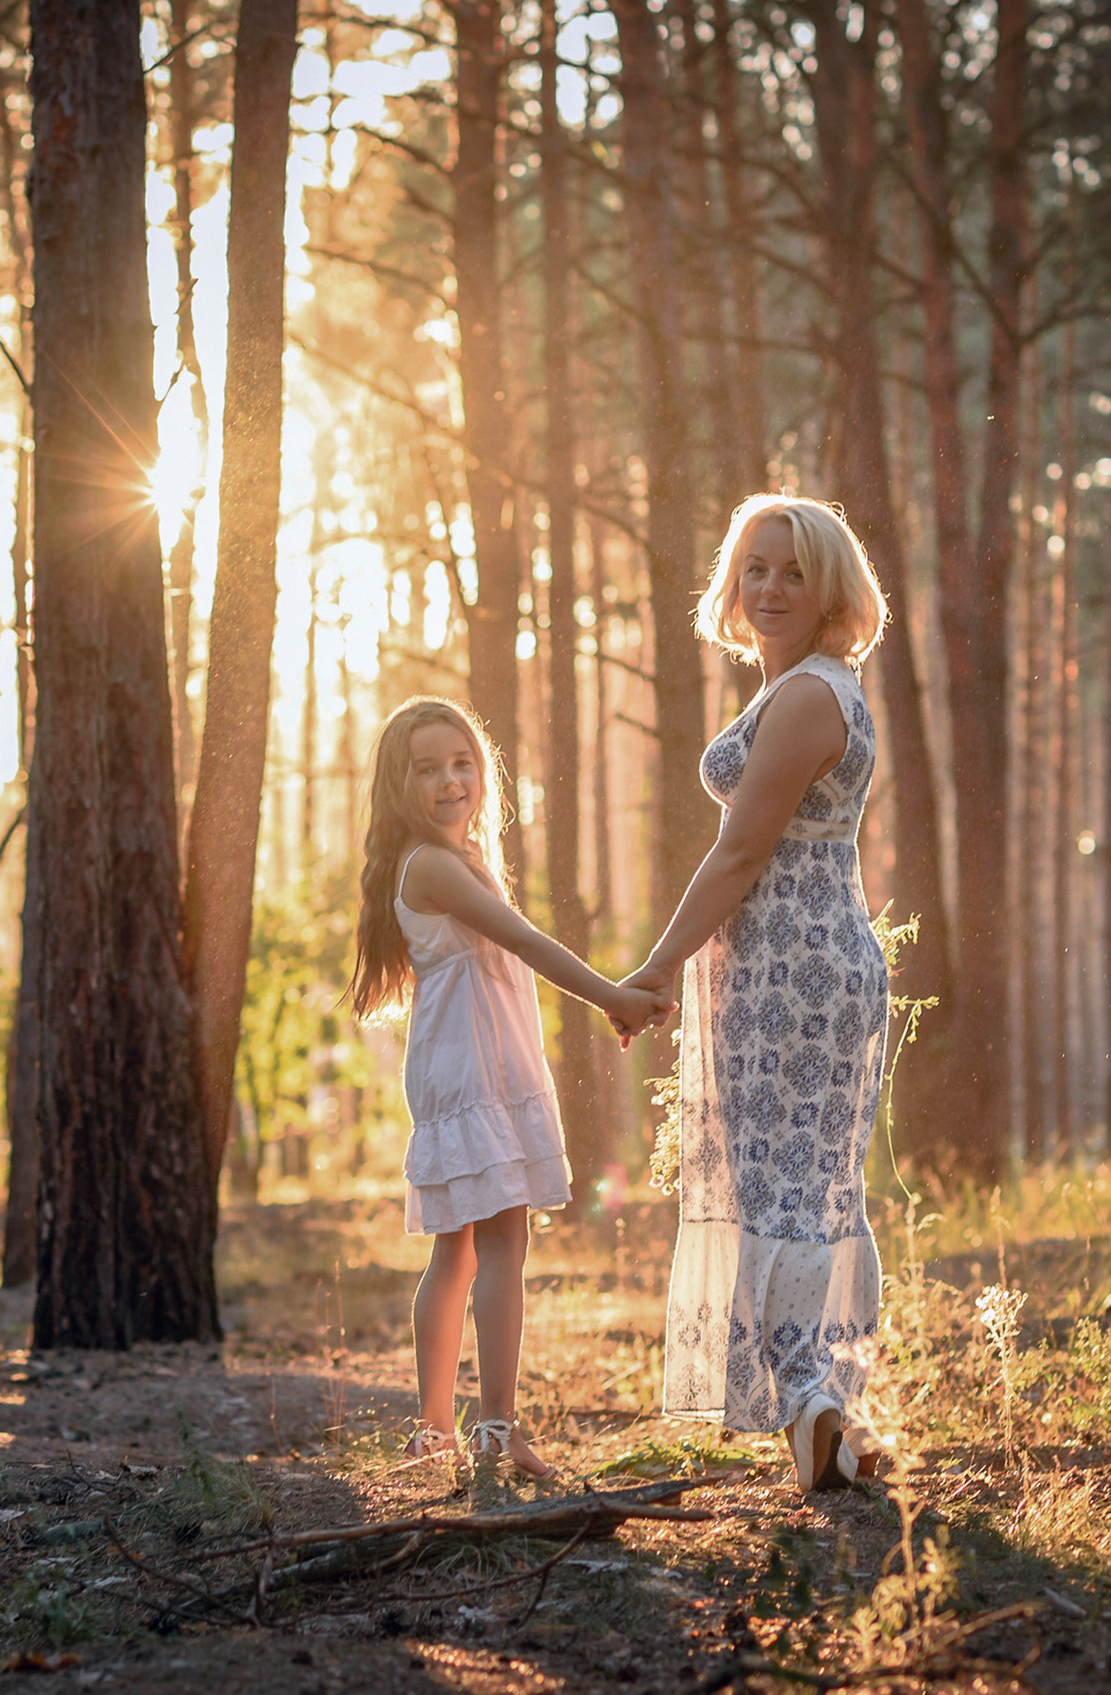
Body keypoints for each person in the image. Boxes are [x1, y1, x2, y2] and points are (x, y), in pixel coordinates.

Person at [621, 494, 894, 1500]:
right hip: (801, 957)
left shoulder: (809, 694)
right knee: (806, 1179)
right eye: (754, 568)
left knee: (784, 1182)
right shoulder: (813, 689)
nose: (770, 587)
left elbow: (741, 850)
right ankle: (829, 1411)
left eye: (792, 570)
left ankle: (812, 1404)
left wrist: (653, 967)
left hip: (793, 962)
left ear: (830, 587)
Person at [352, 696, 672, 1479]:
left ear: (483, 772)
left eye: (461, 763)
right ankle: (491, 1426)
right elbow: (523, 942)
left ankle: (437, 1431)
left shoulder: (459, 860)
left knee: (459, 1250)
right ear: (400, 785)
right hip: (471, 1069)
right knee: (498, 1241)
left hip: (474, 1062)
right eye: (427, 769)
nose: (449, 779)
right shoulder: (429, 865)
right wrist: (614, 997)